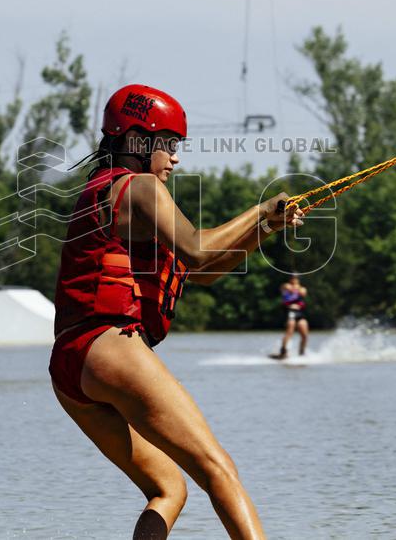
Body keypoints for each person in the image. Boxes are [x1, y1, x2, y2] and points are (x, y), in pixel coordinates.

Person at [49, 84, 302, 540]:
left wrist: (266, 226)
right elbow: (200, 250)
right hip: (109, 346)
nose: (175, 158)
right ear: (135, 141)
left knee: (169, 489)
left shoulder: (103, 191)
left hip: (69, 367)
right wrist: (261, 207)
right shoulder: (140, 187)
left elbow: (204, 272)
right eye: (167, 144)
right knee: (218, 468)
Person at [271, 275, 308, 360]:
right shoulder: (286, 287)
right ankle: (283, 351)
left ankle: (302, 353)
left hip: (300, 313)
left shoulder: (301, 288)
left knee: (304, 335)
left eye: (296, 278)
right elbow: (287, 288)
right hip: (290, 312)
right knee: (290, 332)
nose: (294, 280)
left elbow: (303, 293)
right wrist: (294, 287)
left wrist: (297, 288)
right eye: (293, 278)